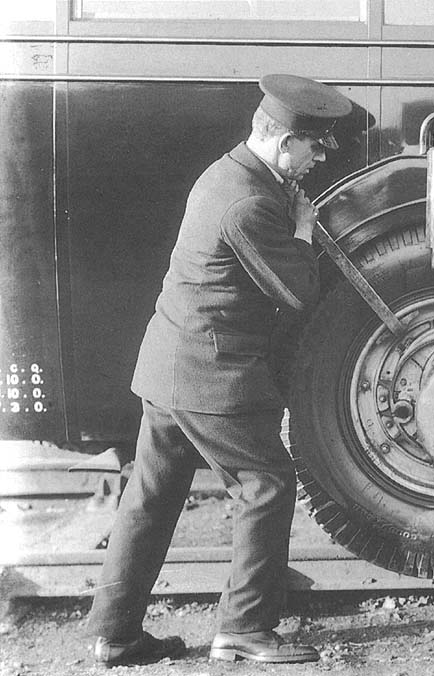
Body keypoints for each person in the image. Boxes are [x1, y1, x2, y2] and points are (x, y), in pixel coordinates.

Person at [87, 74, 361, 666]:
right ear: (283, 139)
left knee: (150, 497)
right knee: (267, 484)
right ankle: (244, 629)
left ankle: (114, 633)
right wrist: (303, 231)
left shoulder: (228, 171)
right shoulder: (253, 203)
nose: (320, 158)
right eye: (314, 146)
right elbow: (297, 289)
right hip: (210, 374)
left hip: (168, 365)